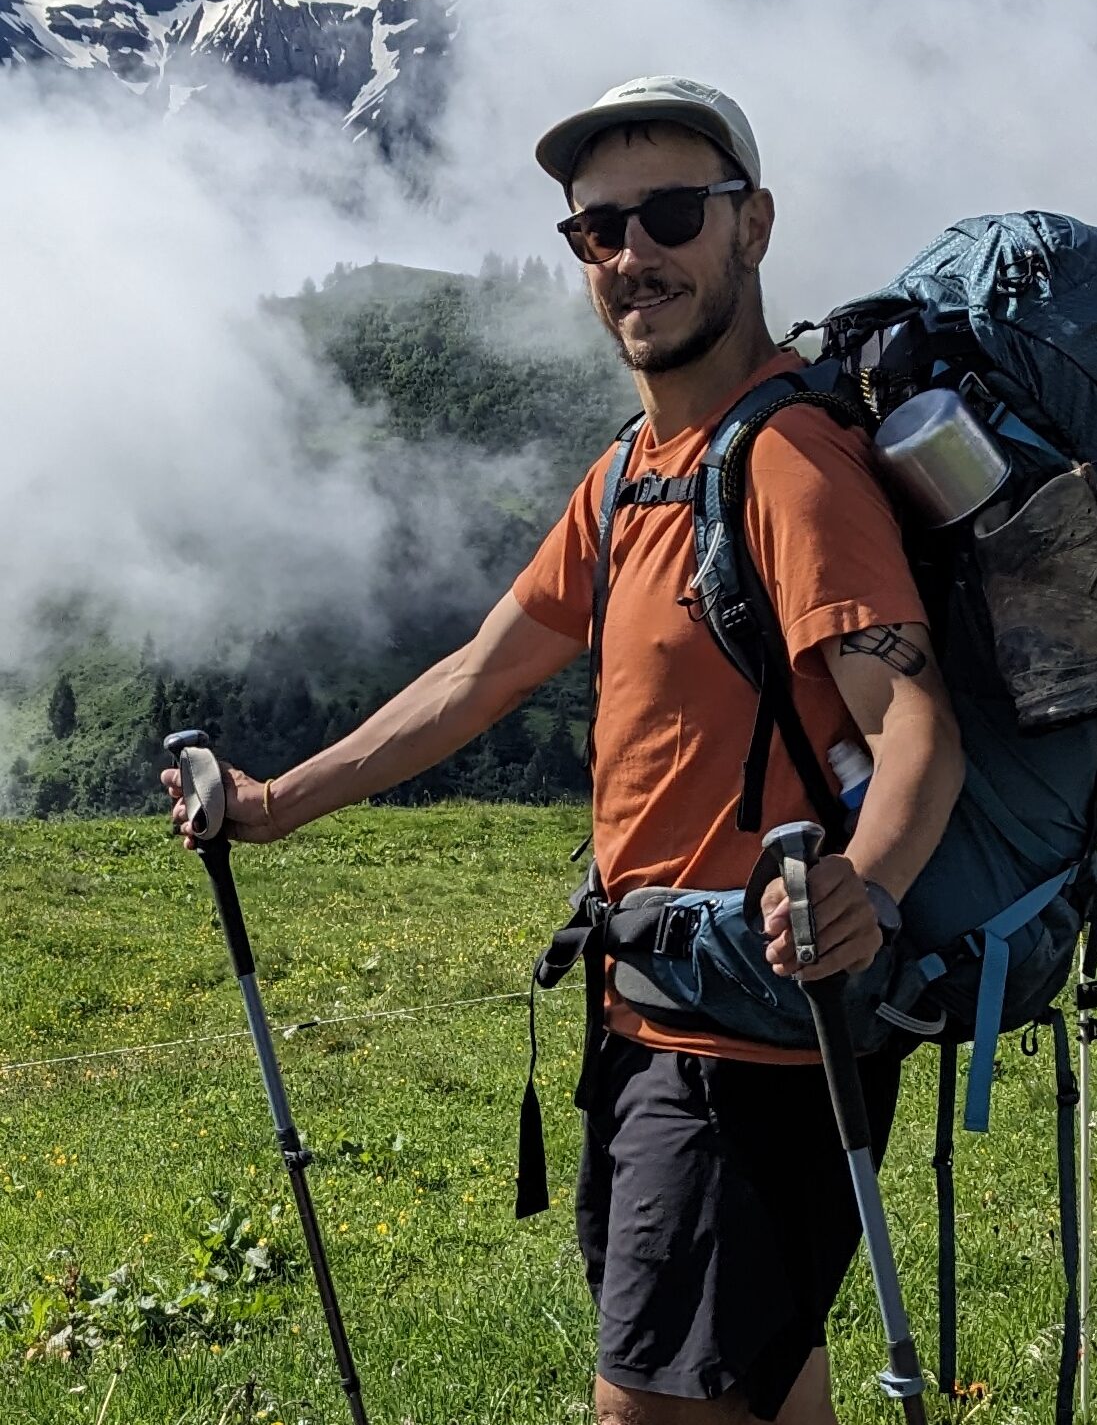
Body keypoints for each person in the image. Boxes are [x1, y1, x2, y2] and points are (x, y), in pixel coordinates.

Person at [164, 74, 966, 1425]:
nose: (630, 256)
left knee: (645, 1405)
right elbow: (482, 674)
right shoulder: (634, 474)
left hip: (749, 1049)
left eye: (665, 215)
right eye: (597, 232)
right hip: (646, 1004)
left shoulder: (785, 466)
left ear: (749, 227)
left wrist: (865, 888)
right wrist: (272, 802)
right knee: (764, 1381)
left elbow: (915, 724)